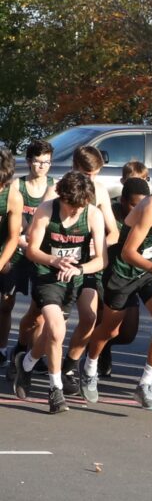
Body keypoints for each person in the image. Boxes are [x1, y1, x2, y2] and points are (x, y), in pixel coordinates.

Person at [81, 165, 152, 409]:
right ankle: (90, 366)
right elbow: (127, 252)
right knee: (111, 330)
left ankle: (145, 384)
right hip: (125, 270)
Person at [14, 172, 106, 413]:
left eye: (79, 207)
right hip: (47, 275)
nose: (75, 211)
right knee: (55, 329)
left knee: (56, 333)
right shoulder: (46, 209)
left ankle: (26, 363)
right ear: (62, 197)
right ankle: (55, 390)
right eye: (71, 206)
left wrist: (80, 269)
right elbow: (31, 250)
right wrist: (54, 260)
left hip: (75, 276)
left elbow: (102, 260)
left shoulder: (93, 215)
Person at [0, 141, 52, 368]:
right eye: (38, 161)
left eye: (47, 162)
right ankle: (3, 349)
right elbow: (16, 231)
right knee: (5, 304)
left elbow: (44, 225)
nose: (42, 166)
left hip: (36, 251)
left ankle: (32, 351)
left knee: (39, 308)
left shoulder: (52, 187)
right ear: (29, 161)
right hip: (18, 250)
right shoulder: (17, 186)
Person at [94, 177, 151, 378]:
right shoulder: (111, 214)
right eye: (135, 205)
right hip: (104, 274)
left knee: (127, 334)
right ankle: (95, 354)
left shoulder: (148, 214)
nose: (139, 209)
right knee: (107, 326)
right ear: (123, 200)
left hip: (129, 275)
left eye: (143, 204)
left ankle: (102, 345)